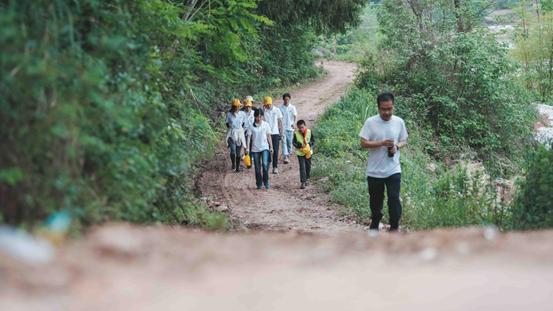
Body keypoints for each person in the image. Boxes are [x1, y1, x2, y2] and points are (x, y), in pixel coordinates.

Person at [359, 92, 408, 232]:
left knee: (394, 199)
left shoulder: (399, 122)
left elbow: (404, 140)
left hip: (393, 168)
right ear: (378, 107)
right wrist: (381, 143)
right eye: (383, 109)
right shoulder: (370, 122)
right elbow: (363, 143)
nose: (387, 112)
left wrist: (396, 146)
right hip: (374, 171)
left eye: (389, 109)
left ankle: (394, 227)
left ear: (393, 106)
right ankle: (375, 223)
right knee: (375, 202)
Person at [249, 109, 273, 190]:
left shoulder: (266, 125)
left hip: (264, 147)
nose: (258, 118)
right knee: (257, 167)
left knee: (265, 164)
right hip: (255, 149)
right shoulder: (251, 126)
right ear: (255, 117)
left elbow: (269, 136)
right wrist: (246, 149)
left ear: (262, 116)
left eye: (260, 116)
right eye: (257, 117)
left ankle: (266, 182)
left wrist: (271, 146)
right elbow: (249, 137)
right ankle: (259, 183)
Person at [262, 96, 283, 174]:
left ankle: (275, 167)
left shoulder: (277, 110)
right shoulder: (264, 112)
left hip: (275, 133)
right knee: (267, 150)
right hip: (266, 134)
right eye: (266, 105)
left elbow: (280, 121)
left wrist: (281, 132)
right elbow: (262, 121)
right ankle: (268, 164)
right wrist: (263, 112)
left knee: (276, 150)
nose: (267, 106)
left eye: (268, 104)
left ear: (271, 103)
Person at [225, 98, 247, 172]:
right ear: (233, 107)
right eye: (236, 106)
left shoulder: (242, 114)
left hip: (239, 133)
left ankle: (237, 167)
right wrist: (231, 127)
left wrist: (240, 130)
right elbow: (227, 124)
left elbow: (243, 123)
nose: (237, 108)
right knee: (233, 151)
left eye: (238, 106)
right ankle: (233, 164)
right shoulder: (229, 114)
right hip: (232, 133)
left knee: (238, 152)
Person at [292, 120, 315, 189]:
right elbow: (294, 143)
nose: (301, 129)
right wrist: (299, 146)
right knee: (302, 167)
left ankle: (307, 179)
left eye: (302, 127)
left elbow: (313, 141)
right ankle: (303, 182)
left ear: (305, 126)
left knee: (308, 166)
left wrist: (310, 147)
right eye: (299, 128)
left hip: (308, 152)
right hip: (300, 153)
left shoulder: (309, 132)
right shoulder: (296, 134)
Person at [279, 93, 297, 164]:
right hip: (283, 128)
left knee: (289, 142)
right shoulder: (280, 108)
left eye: (287, 99)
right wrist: (279, 127)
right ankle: (285, 157)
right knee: (284, 142)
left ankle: (289, 153)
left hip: (290, 128)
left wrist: (294, 123)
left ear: (289, 99)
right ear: (283, 100)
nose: (286, 101)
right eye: (285, 99)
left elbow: (295, 116)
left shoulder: (292, 107)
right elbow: (279, 119)